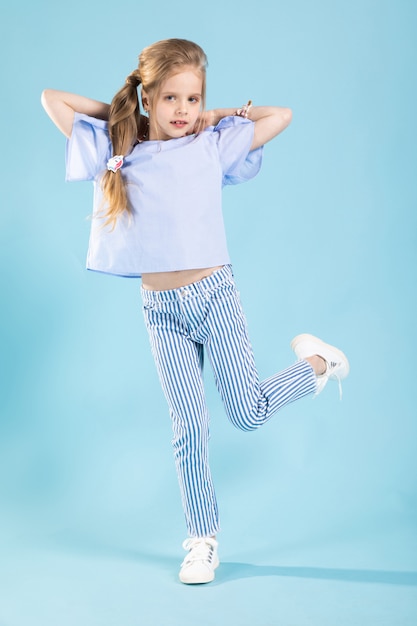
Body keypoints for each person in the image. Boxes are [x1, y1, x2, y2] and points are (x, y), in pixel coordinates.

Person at [41, 38, 349, 585]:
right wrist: (123, 115)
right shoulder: (124, 146)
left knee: (248, 412)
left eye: (192, 98)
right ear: (147, 98)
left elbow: (283, 114)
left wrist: (220, 114)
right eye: (170, 99)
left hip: (214, 295)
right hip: (161, 309)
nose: (182, 111)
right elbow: (52, 100)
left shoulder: (212, 143)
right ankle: (202, 540)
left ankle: (321, 364)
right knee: (188, 426)